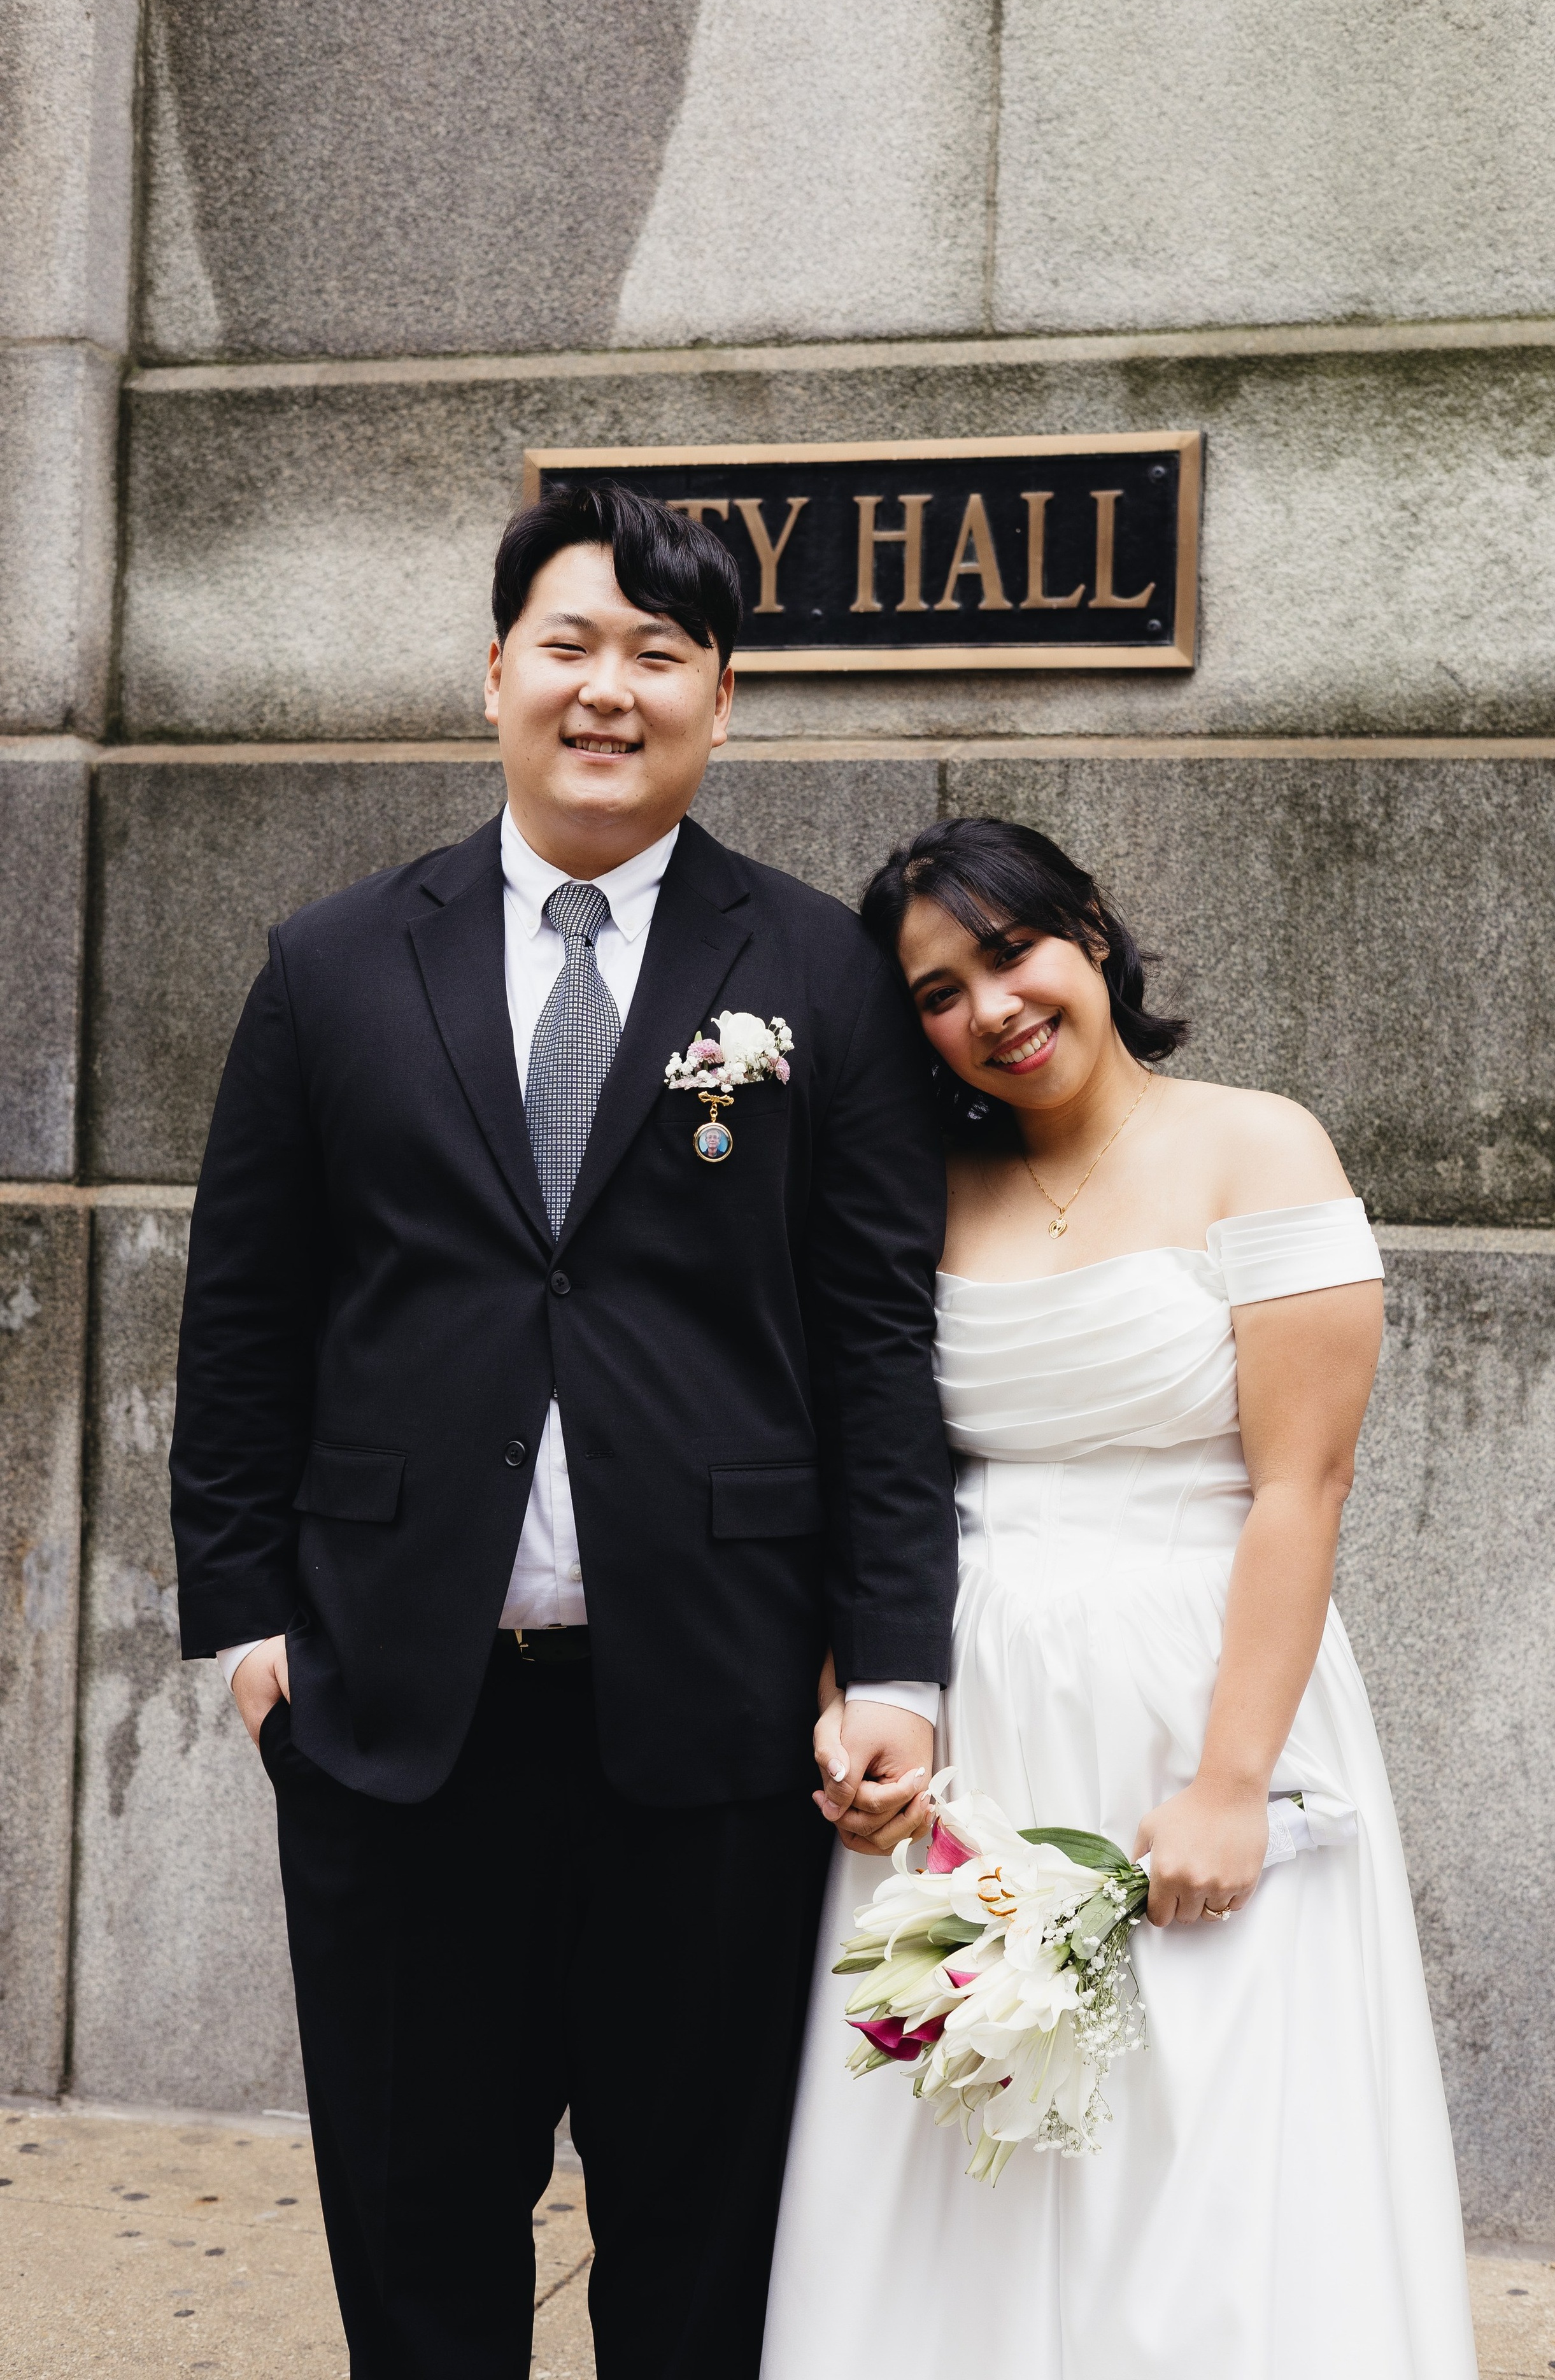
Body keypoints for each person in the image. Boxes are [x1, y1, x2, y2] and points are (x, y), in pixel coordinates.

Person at [169, 485, 959, 2380]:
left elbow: (873, 1343)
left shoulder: (814, 973)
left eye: (660, 656)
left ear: (724, 695)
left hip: (711, 1715)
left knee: (698, 2234)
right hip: (392, 1719)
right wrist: (253, 1636)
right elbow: (247, 1316)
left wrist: (902, 1666)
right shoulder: (336, 962)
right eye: (572, 647)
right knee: (416, 2220)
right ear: (498, 675)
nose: (611, 693)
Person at [763, 818, 1477, 2379]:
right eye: (937, 992)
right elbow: (877, 1467)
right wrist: (855, 1699)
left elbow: (1303, 1485)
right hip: (982, 1712)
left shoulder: (1256, 1144)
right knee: (965, 2129)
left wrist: (1229, 1785)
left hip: (1194, 1687)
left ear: (1089, 933)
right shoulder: (927, 1182)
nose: (990, 1009)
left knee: (1209, 2130)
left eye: (1010, 953)